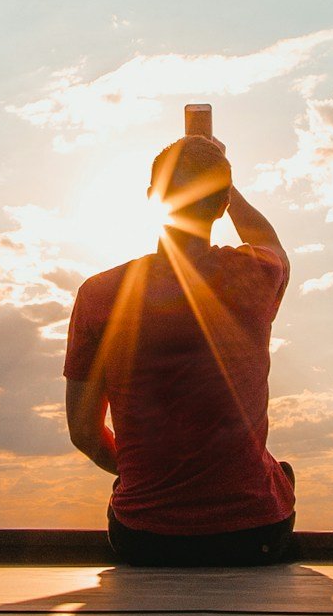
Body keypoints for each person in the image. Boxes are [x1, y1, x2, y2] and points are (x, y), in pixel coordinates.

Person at [63, 133, 296, 566]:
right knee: (279, 476)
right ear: (224, 204)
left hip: (145, 538)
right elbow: (273, 244)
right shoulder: (256, 276)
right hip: (253, 535)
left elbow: (84, 433)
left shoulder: (98, 294)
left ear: (154, 199)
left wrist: (150, 480)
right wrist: (226, 180)